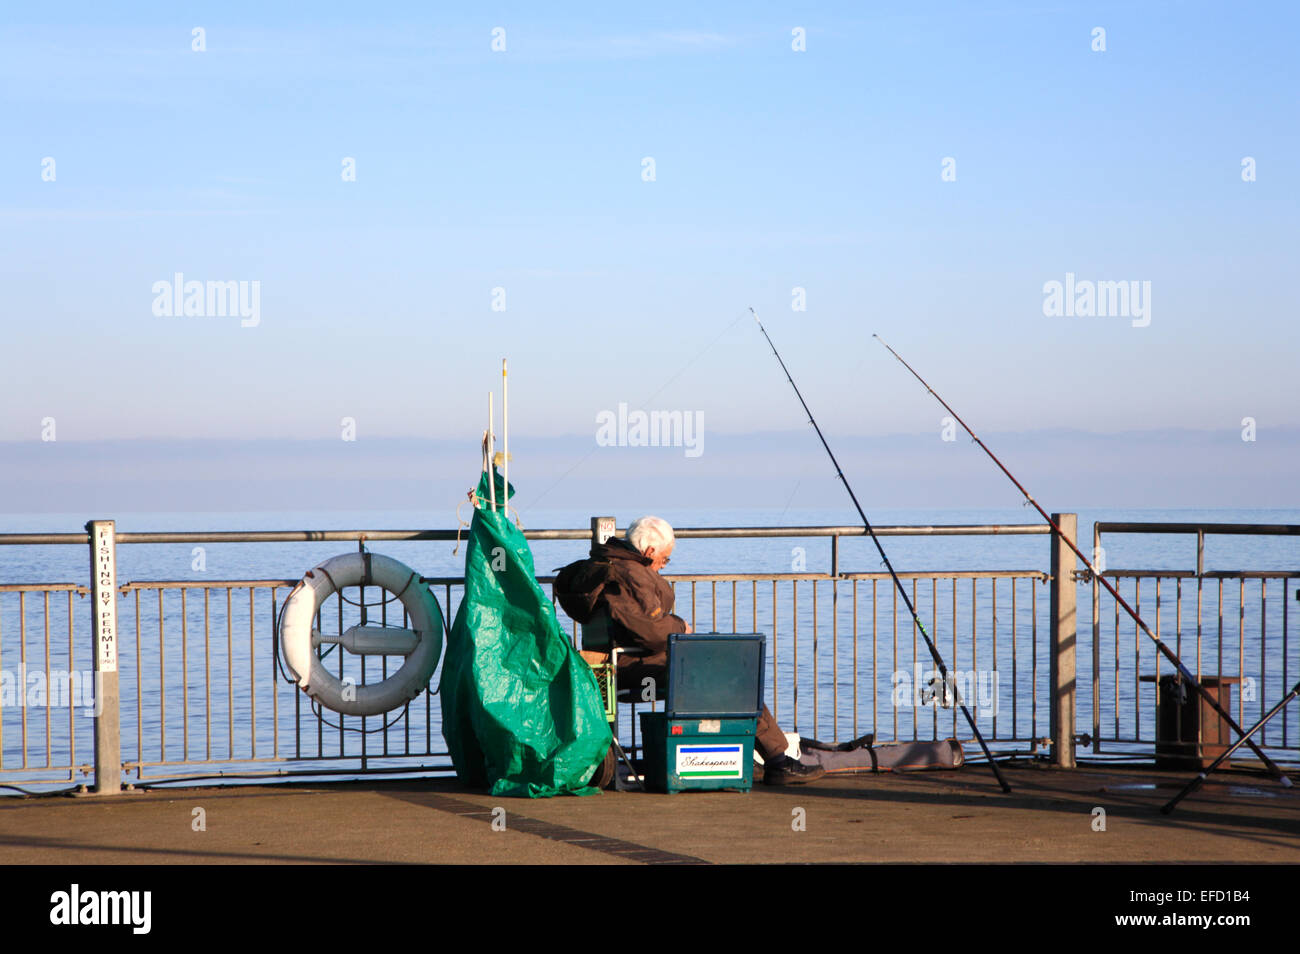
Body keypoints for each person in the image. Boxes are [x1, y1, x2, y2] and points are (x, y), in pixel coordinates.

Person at [554, 515, 824, 785]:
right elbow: (649, 632)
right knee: (725, 671)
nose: (663, 565)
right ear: (649, 552)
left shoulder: (605, 566)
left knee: (711, 667)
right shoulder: (631, 574)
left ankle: (740, 756)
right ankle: (776, 760)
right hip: (631, 666)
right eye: (664, 559)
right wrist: (680, 626)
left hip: (612, 662)